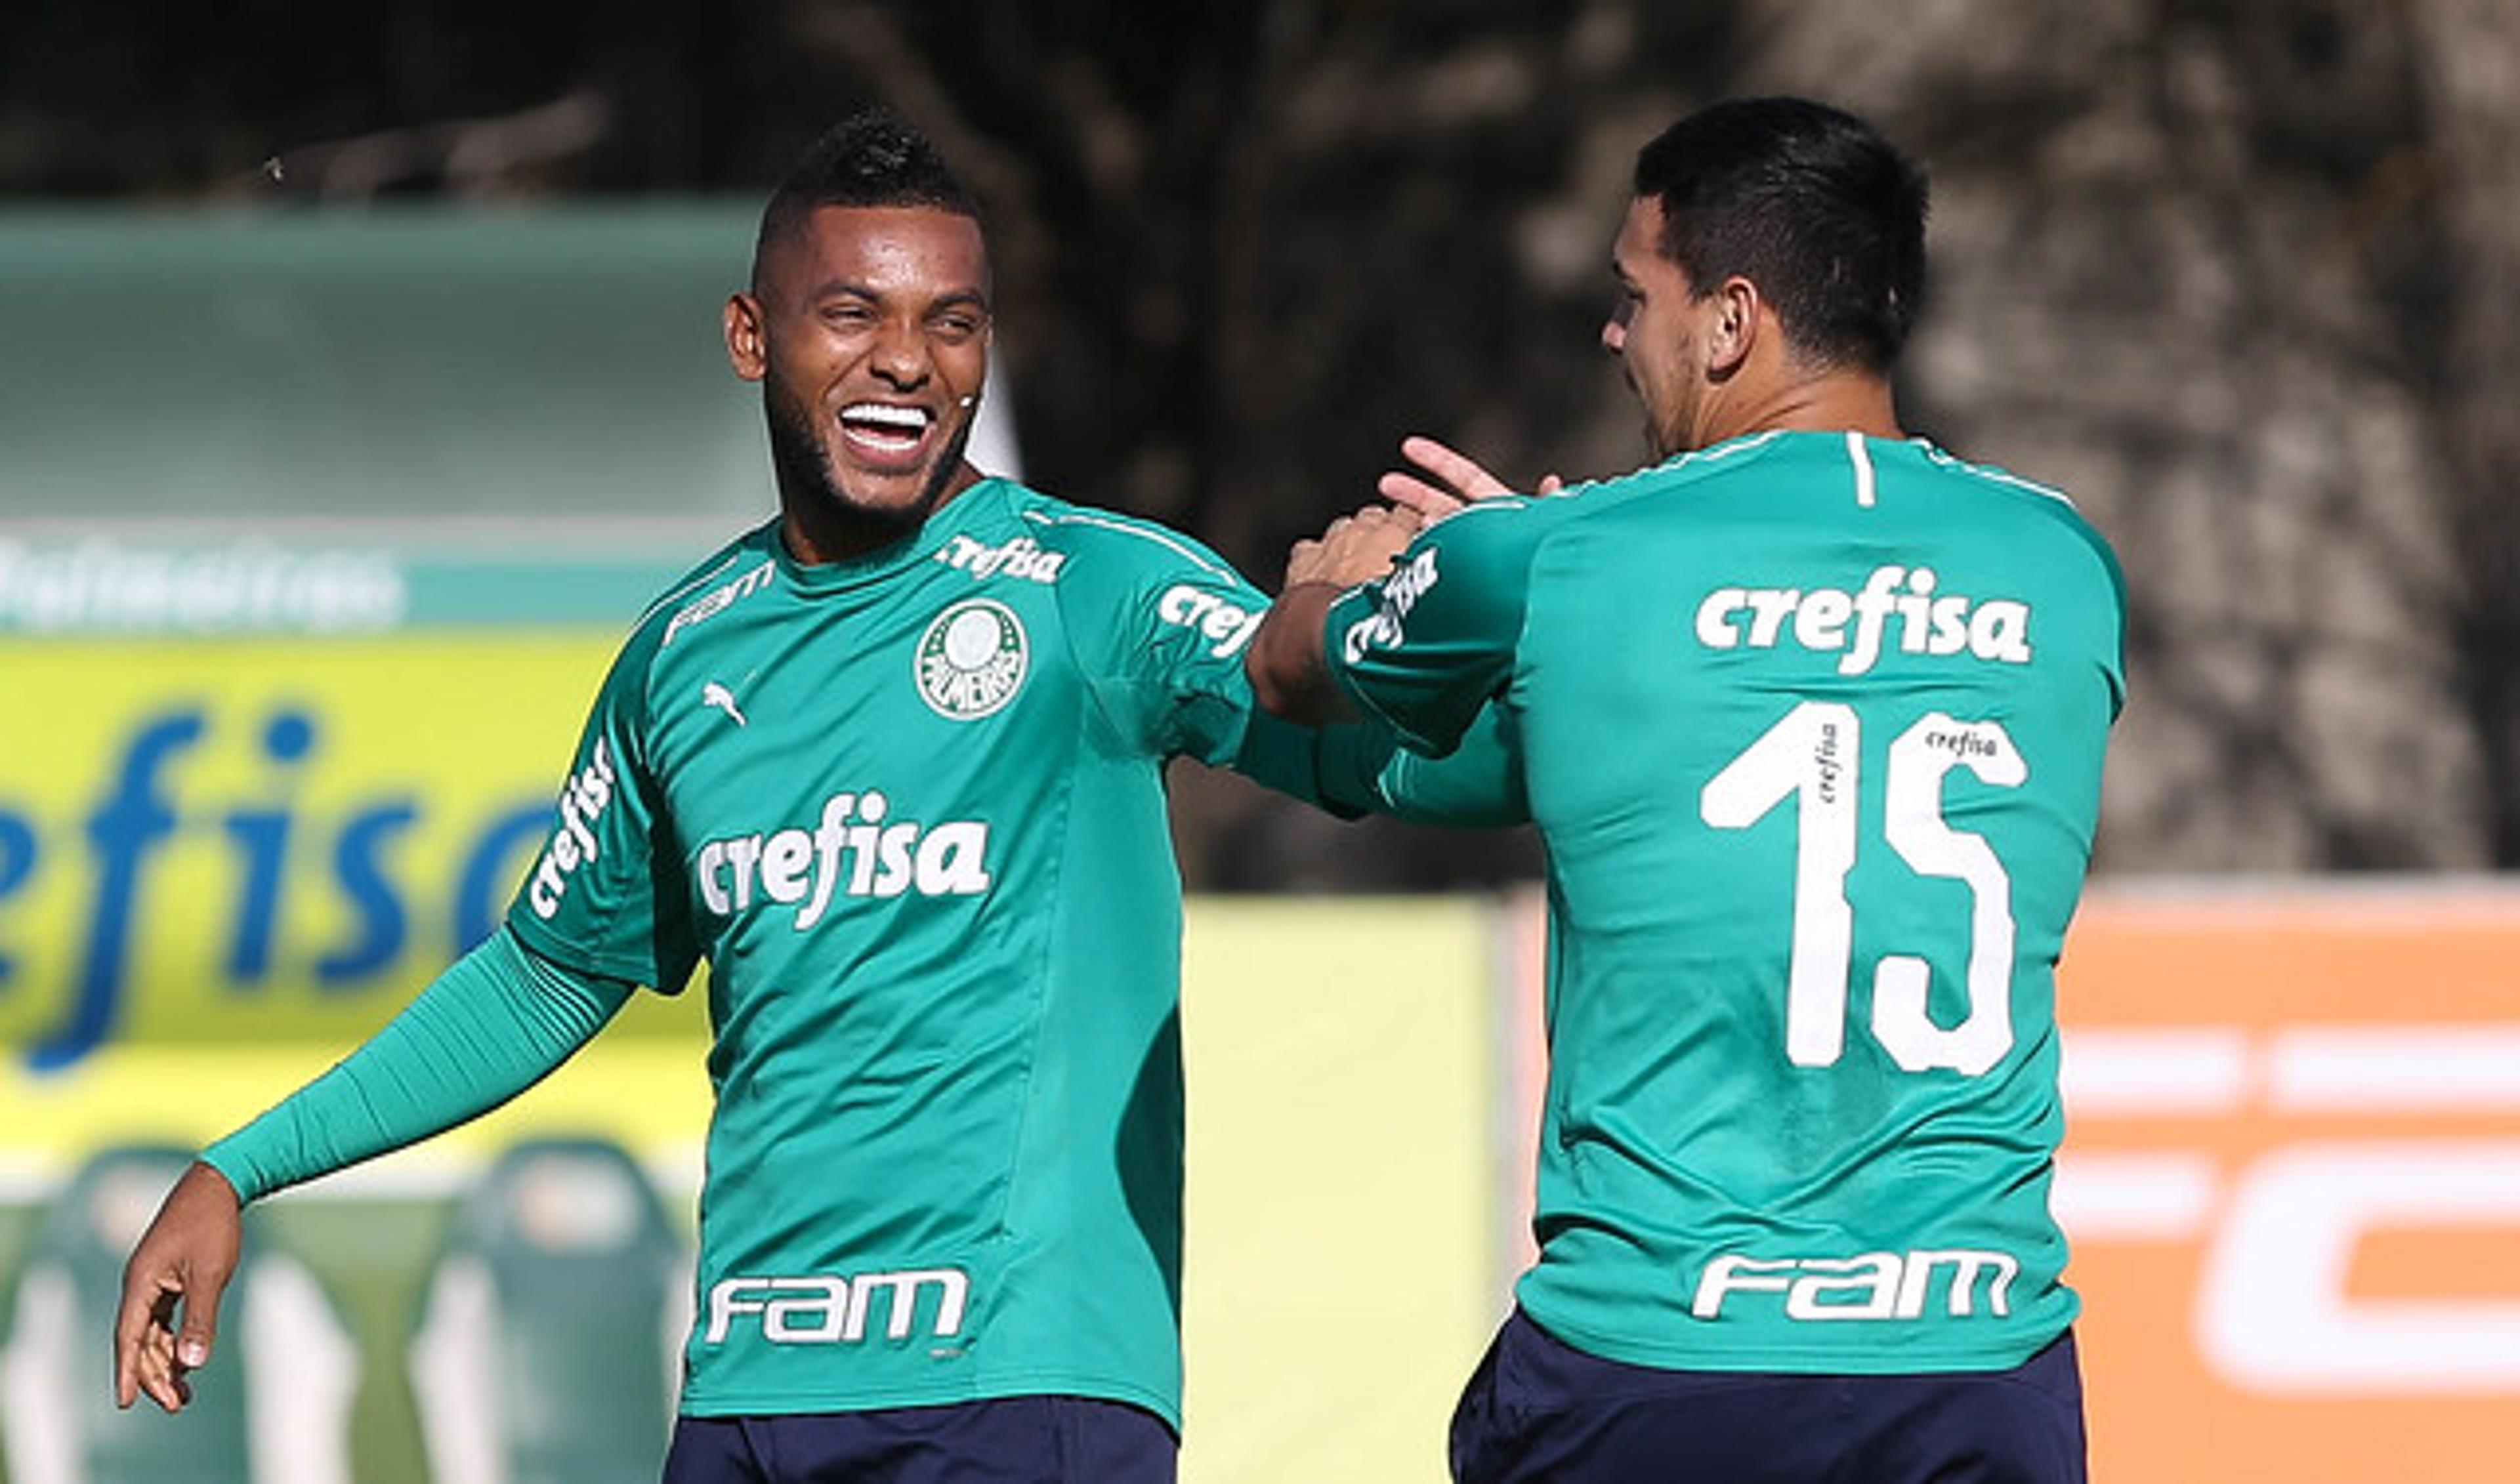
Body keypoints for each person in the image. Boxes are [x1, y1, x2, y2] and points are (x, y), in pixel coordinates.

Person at [112, 110, 1482, 1484]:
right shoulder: (685, 653)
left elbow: (1372, 748)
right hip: (752, 1396)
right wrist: (241, 1167)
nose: (907, 361)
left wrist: (1498, 627)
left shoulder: (1089, 591)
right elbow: (544, 975)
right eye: (852, 312)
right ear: (750, 337)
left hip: (1015, 1387)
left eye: (955, 322)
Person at [1250, 96, 2124, 1483]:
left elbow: (1289, 675)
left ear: (1728, 322)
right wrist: (1552, 607)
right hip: (1977, 1365)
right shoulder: (2065, 563)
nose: (1614, 334)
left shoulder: (1550, 561)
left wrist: (1375, 579)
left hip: (1663, 1363)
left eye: (1631, 295)